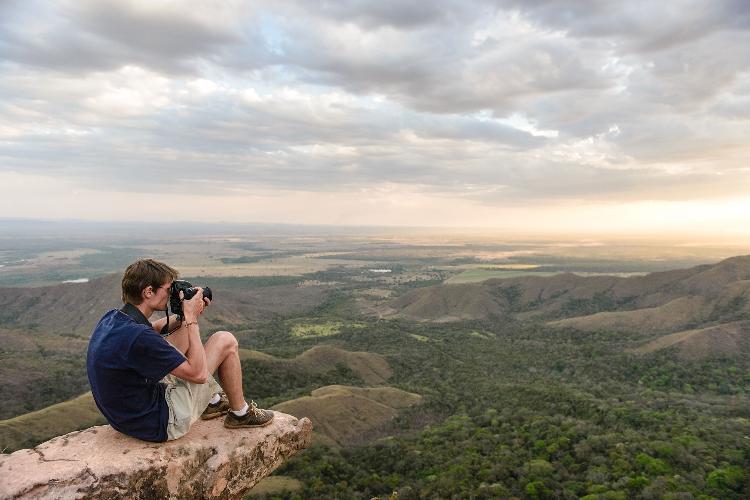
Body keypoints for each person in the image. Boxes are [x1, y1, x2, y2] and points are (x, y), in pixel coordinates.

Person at [87, 258, 273, 442]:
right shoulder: (140, 337)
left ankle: (213, 402)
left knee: (182, 331)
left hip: (128, 419)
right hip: (159, 423)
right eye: (168, 290)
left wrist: (184, 316)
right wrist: (191, 318)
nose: (170, 295)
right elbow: (199, 375)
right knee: (225, 340)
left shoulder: (113, 319)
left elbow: (154, 330)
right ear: (149, 291)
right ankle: (240, 414)